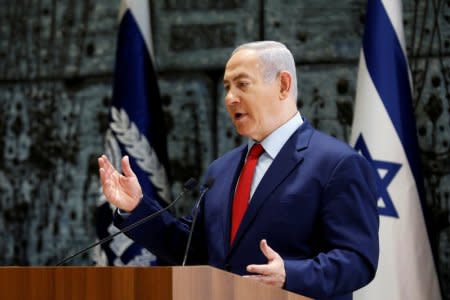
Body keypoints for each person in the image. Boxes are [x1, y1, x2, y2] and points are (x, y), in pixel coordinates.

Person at [98, 41, 379, 300]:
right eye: (226, 87)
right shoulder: (221, 169)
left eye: (242, 85)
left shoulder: (337, 163)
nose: (230, 98)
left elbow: (357, 259)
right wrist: (137, 208)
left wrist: (290, 275)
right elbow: (191, 249)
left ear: (283, 85)